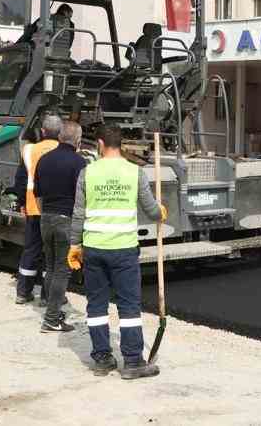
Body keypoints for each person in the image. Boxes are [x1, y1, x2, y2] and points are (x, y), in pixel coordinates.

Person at [68, 124, 165, 380]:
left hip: (94, 250)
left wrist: (74, 245)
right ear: (120, 145)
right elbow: (151, 210)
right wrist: (160, 212)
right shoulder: (135, 173)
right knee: (128, 306)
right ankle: (132, 362)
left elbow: (78, 214)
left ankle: (102, 359)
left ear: (99, 144)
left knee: (96, 305)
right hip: (123, 251)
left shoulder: (87, 173)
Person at [34, 119, 86, 333]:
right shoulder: (79, 163)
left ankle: (51, 307)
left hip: (45, 217)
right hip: (66, 219)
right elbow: (83, 197)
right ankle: (52, 318)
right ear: (78, 140)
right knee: (62, 271)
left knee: (51, 266)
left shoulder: (44, 160)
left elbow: (37, 193)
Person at [11, 114, 62, 305]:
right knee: (53, 254)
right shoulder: (64, 150)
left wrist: (23, 202)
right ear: (61, 133)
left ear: (42, 131)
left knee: (31, 250)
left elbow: (20, 181)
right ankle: (48, 297)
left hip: (34, 208)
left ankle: (23, 292)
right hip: (57, 211)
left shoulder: (29, 150)